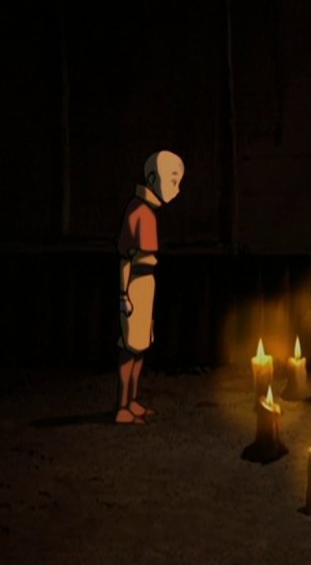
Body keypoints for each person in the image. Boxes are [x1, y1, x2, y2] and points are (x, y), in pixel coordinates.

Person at [114, 150, 184, 425]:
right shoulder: (137, 211)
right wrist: (124, 295)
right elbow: (125, 258)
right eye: (173, 181)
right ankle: (122, 405)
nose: (177, 189)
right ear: (154, 179)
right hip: (135, 284)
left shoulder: (150, 213)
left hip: (146, 284)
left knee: (141, 346)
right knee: (129, 347)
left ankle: (132, 400)